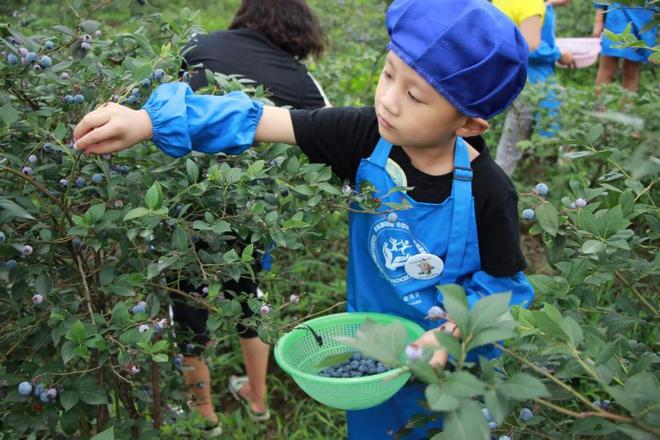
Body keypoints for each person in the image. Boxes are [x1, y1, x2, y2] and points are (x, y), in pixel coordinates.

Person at [72, 0, 535, 438]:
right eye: (388, 74)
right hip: (372, 353)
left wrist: (450, 336)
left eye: (415, 96)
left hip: (451, 372)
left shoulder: (487, 190)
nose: (389, 101)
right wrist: (151, 121)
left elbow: (503, 290)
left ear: (468, 124)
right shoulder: (363, 136)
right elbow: (258, 120)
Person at [173, 0, 330, 427]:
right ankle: (258, 404)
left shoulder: (197, 45)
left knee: (187, 307)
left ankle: (205, 418)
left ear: (246, 15)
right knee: (249, 299)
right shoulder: (302, 80)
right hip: (253, 211)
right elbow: (329, 137)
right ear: (299, 31)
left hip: (183, 200)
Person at [493, 0, 576, 175]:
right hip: (531, 83)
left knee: (514, 142)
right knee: (515, 142)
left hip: (515, 77)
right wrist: (559, 54)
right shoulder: (532, 6)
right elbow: (529, 47)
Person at [593, 1, 657, 93]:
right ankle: (599, 106)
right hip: (618, 12)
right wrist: (599, 17)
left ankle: (627, 107)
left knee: (631, 70)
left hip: (645, 15)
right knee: (607, 67)